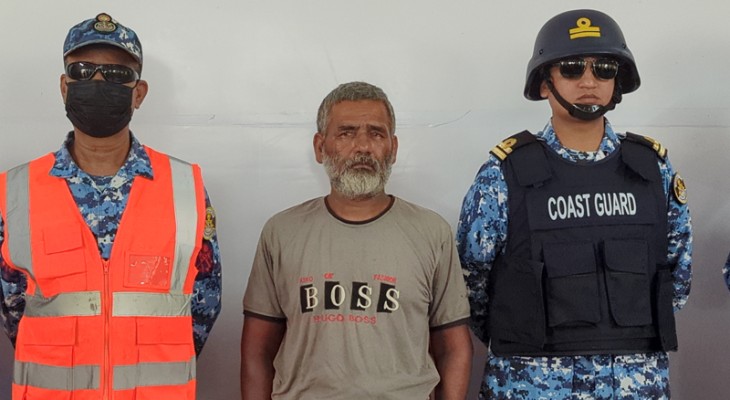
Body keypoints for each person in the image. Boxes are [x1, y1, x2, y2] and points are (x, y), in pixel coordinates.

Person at [457, 9, 692, 399]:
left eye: (603, 68)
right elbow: (470, 285)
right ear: (544, 83)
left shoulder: (654, 170)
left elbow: (677, 279)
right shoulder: (503, 174)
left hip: (633, 383)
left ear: (618, 81)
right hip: (529, 383)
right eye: (570, 68)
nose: (588, 80)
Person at [0, 13, 222, 399]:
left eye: (118, 74)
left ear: (139, 93)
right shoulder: (15, 189)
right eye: (83, 71)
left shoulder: (184, 186)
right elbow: (13, 307)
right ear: (64, 86)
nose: (99, 82)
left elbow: (204, 301)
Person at [240, 81, 472, 400]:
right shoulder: (281, 232)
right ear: (320, 147)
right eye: (346, 133)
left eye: (376, 133)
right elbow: (257, 351)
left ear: (393, 148)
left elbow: (454, 347)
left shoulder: (432, 233)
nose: (362, 146)